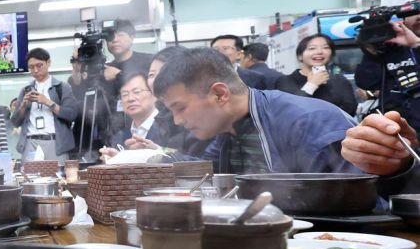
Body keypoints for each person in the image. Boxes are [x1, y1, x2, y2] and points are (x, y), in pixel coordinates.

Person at [153, 47, 362, 174]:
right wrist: (153, 157)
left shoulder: (306, 122)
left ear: (219, 94)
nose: (177, 120)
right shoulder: (231, 126)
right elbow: (210, 168)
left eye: (179, 108)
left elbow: (352, 199)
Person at [355, 9, 420, 130]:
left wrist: (416, 45)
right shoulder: (391, 47)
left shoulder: (415, 46)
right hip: (399, 126)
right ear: (404, 17)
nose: (419, 17)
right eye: (414, 12)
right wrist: (370, 51)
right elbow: (366, 82)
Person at [11, 47, 77, 163]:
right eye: (31, 67)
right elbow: (15, 122)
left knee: (58, 178)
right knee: (29, 179)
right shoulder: (25, 90)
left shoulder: (62, 87)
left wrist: (48, 102)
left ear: (48, 62)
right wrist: (23, 105)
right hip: (30, 142)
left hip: (55, 143)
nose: (35, 70)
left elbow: (71, 115)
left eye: (39, 65)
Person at [276, 33, 358, 116]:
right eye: (312, 48)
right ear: (300, 56)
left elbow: (350, 109)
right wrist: (312, 85)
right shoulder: (286, 81)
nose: (319, 52)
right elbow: (289, 110)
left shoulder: (340, 80)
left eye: (325, 47)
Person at [102, 18, 155, 141]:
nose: (115, 39)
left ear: (132, 37)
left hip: (149, 129)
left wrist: (119, 75)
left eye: (120, 35)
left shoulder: (149, 61)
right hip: (115, 131)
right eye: (110, 36)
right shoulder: (105, 69)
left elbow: (157, 90)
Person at [99, 72, 162, 160]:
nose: (130, 98)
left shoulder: (171, 125)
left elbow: (184, 160)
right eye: (124, 94)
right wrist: (117, 159)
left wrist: (156, 154)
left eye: (136, 92)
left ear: (154, 95)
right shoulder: (120, 137)